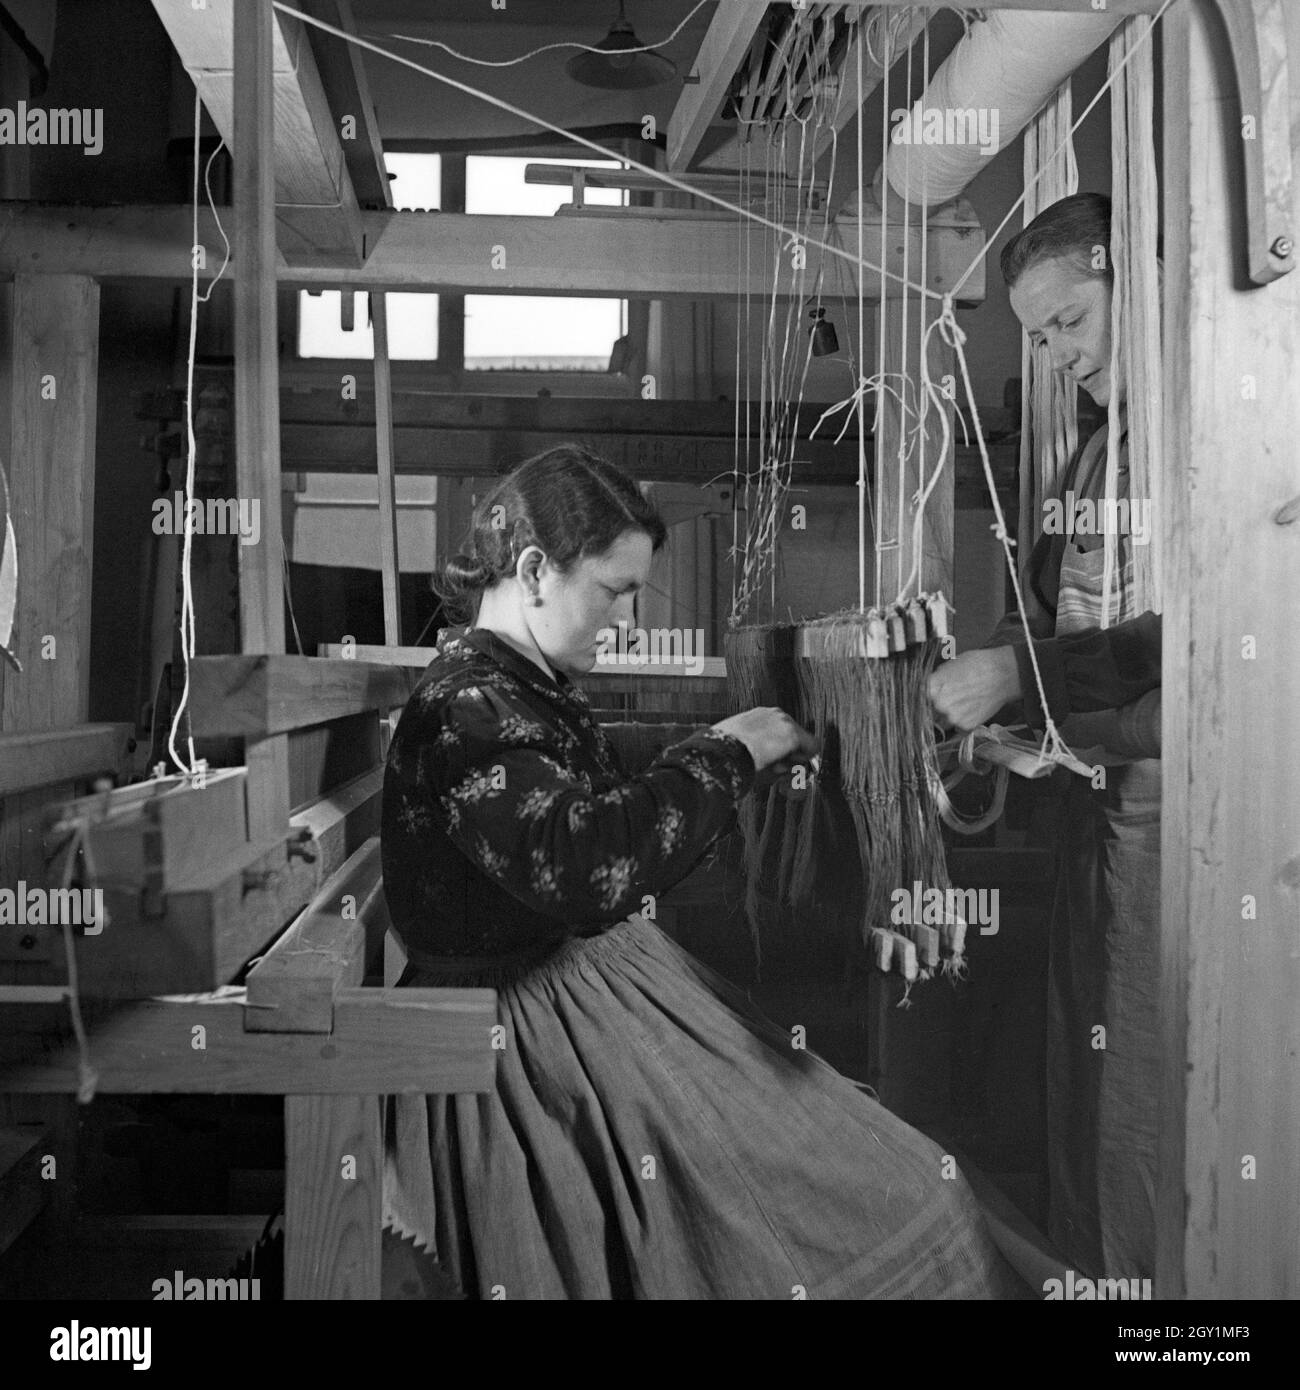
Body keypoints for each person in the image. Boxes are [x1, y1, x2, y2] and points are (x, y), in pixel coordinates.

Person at [381, 443, 1022, 1300]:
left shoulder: (519, 687)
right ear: (535, 571)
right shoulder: (464, 705)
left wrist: (747, 763)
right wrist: (726, 755)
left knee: (900, 1180)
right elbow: (588, 866)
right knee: (884, 1201)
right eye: (617, 591)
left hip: (578, 1001)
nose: (633, 622)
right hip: (524, 1048)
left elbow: (604, 810)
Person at [928, 193, 1163, 1281]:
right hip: (1094, 811)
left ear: (1137, 279)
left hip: (1170, 817)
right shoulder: (1088, 463)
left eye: (1070, 320)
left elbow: (1188, 648)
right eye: (1040, 337)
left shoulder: (1207, 445)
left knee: (1141, 1105)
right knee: (1084, 1074)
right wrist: (986, 722)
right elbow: (1041, 620)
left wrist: (1013, 677)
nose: (1060, 356)